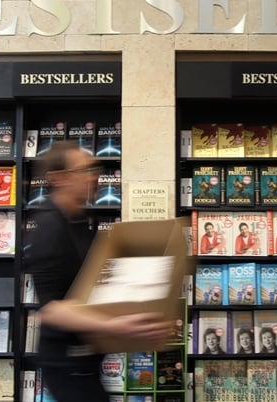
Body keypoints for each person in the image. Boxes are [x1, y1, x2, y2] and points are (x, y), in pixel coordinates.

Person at [24, 142, 172, 402]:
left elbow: (90, 281)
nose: (93, 177)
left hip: (84, 359)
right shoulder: (50, 226)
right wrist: (115, 325)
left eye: (94, 169)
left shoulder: (79, 220)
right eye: (82, 171)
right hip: (66, 362)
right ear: (57, 179)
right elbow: (52, 309)